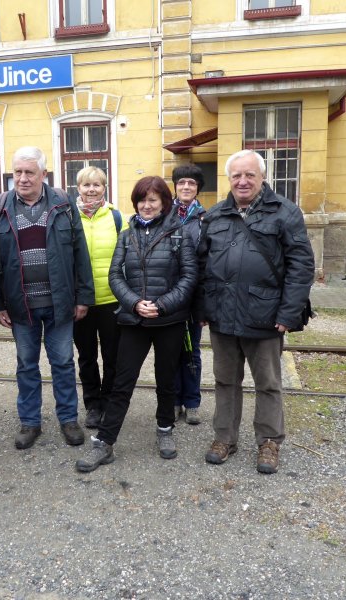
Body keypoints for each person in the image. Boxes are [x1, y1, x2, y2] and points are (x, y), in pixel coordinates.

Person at [197, 150, 314, 474]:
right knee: (224, 381)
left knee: (268, 383)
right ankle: (225, 438)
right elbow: (202, 265)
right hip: (222, 315)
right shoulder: (216, 215)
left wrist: (289, 313)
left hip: (265, 315)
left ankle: (269, 442)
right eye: (236, 175)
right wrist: (204, 308)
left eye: (249, 174)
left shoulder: (285, 212)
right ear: (229, 179)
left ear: (262, 177)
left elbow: (301, 266)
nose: (243, 181)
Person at [76, 176, 198, 473]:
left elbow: (189, 276)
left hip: (168, 320)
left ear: (164, 203)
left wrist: (162, 304)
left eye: (153, 200)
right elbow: (115, 275)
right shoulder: (127, 235)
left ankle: (165, 429)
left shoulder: (179, 234)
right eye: (142, 200)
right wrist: (133, 303)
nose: (146, 205)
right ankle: (105, 443)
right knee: (122, 383)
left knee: (166, 380)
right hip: (133, 320)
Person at [0, 146, 94, 450]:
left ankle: (68, 419)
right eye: (17, 172)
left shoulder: (63, 204)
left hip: (60, 303)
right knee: (26, 365)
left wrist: (83, 297)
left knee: (62, 362)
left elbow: (79, 252)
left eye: (29, 172)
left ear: (42, 175)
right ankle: (30, 422)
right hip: (21, 307)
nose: (22, 178)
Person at [72, 166, 127, 429]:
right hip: (80, 302)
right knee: (86, 357)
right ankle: (92, 405)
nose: (91, 190)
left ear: (104, 188)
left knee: (113, 356)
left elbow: (129, 256)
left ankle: (108, 402)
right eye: (86, 185)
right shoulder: (68, 217)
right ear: (78, 188)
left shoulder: (117, 218)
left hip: (111, 300)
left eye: (97, 185)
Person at [170, 163, 206, 425]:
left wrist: (204, 304)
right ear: (175, 186)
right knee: (170, 350)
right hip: (169, 295)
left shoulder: (206, 219)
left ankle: (192, 402)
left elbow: (209, 264)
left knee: (192, 351)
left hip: (194, 296)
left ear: (197, 189)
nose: (186, 187)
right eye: (182, 182)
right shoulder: (164, 214)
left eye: (191, 184)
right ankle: (173, 400)